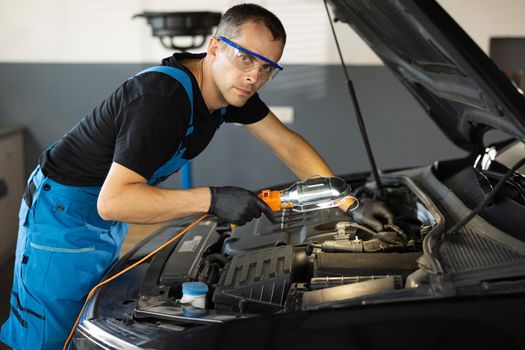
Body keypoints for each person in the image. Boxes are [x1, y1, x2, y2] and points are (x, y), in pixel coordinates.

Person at [0, 4, 392, 349]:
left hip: (103, 212)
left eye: (267, 67)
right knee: (48, 334)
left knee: (85, 318)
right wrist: (212, 199)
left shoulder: (228, 90)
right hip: (64, 209)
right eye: (246, 59)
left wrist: (345, 200)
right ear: (216, 47)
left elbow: (287, 145)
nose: (254, 77)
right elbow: (114, 201)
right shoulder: (161, 100)